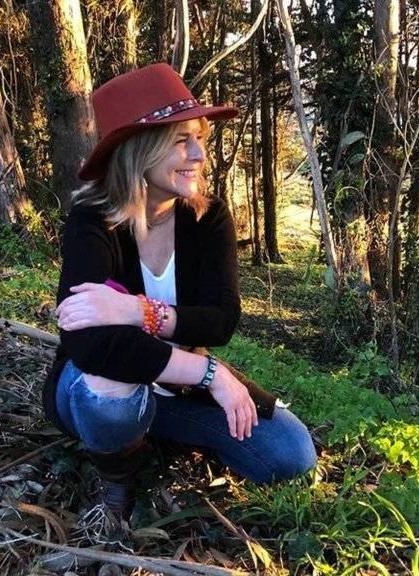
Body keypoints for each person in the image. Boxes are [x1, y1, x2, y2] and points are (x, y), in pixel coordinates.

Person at [42, 63, 317, 522]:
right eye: (180, 140)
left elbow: (222, 319)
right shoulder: (94, 221)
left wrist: (137, 311)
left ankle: (152, 426)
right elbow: (89, 345)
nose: (199, 155)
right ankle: (117, 476)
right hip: (95, 389)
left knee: (291, 453)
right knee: (112, 383)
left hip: (176, 385)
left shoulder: (207, 219)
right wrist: (210, 373)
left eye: (201, 139)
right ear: (137, 149)